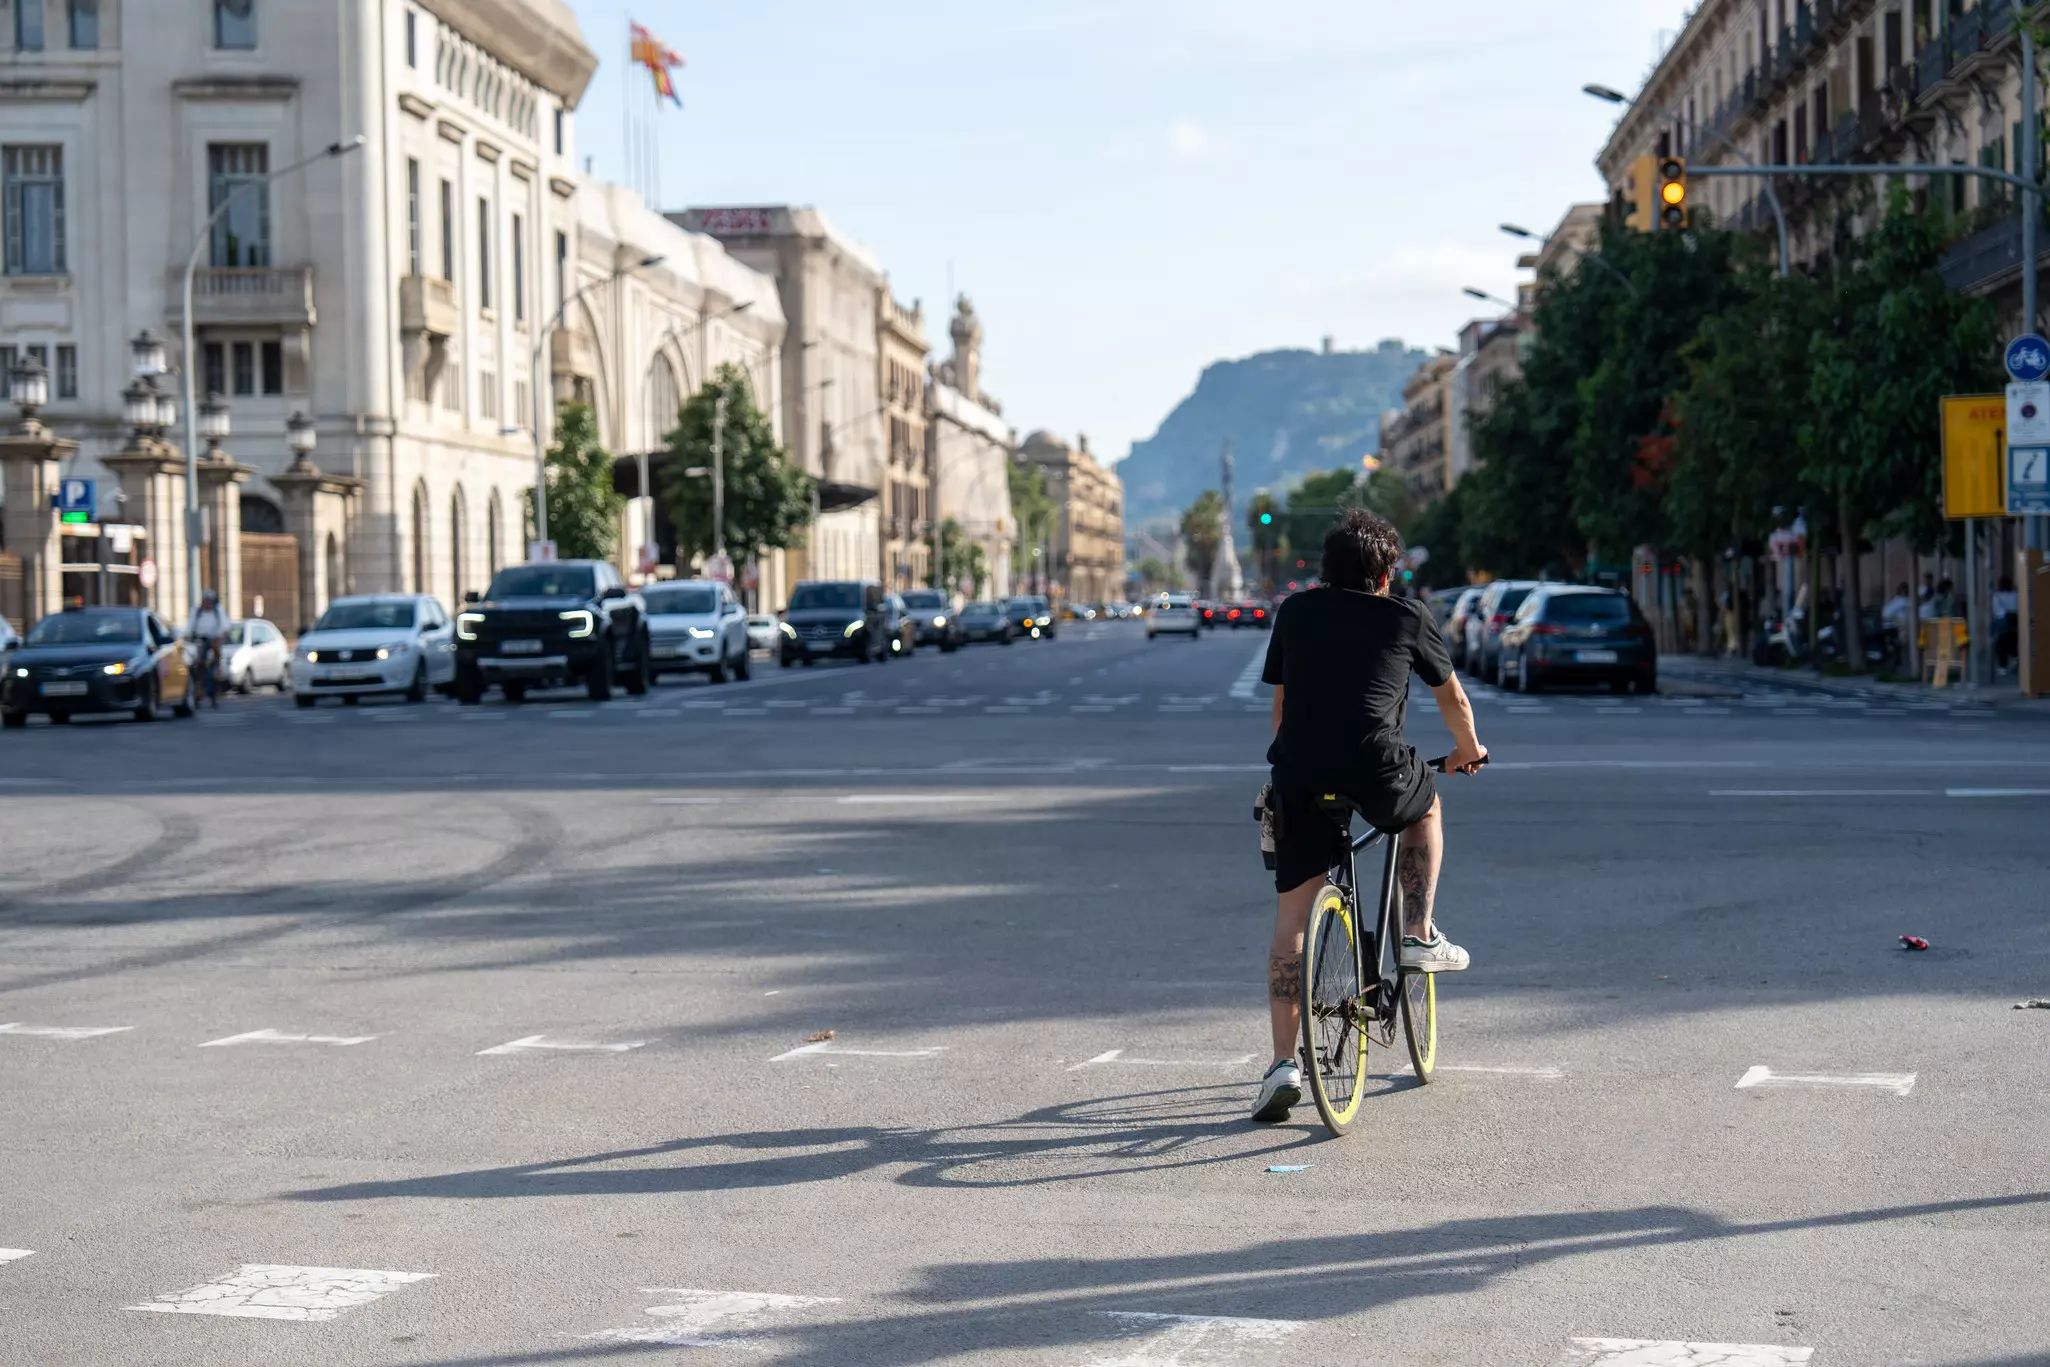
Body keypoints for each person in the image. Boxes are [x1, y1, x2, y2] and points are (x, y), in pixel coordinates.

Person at [1250, 509, 1488, 1124]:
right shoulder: (1406, 617)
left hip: (1300, 774)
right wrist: (1467, 752)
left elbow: (1280, 711)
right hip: (1378, 770)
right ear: (1385, 574)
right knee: (1426, 803)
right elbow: (1453, 698)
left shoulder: (1296, 613)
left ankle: (1282, 1065)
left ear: (1326, 571)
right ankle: (1417, 935)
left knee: (1291, 919)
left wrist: (1299, 766)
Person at [186, 589, 230, 709]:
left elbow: (224, 627)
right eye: (206, 601)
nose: (208, 604)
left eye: (210, 601)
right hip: (201, 641)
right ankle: (198, 692)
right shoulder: (197, 611)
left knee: (216, 667)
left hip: (214, 641)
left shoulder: (218, 610)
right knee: (199, 666)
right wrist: (188, 636)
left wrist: (218, 639)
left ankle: (214, 693)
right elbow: (190, 627)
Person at [1993, 574, 2019, 672]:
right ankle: (2015, 659)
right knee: (2014, 642)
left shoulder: (1997, 596)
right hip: (2015, 621)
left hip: (2003, 622)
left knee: (2001, 644)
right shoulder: (2015, 595)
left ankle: (2003, 666)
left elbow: (1996, 611)